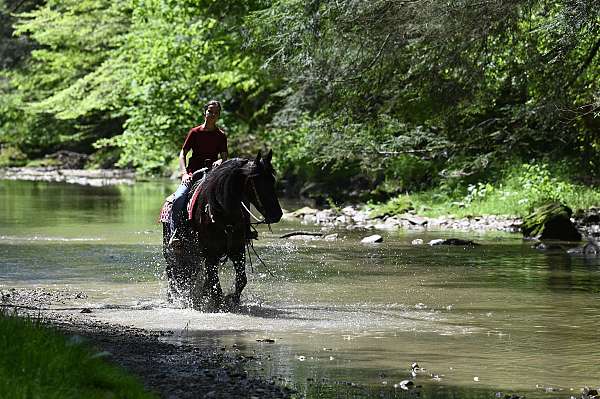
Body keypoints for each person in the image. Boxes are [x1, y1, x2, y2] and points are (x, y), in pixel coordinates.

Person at [169, 100, 228, 248]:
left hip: (213, 175)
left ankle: (237, 232)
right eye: (210, 111)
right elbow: (183, 153)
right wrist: (184, 173)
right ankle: (175, 233)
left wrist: (220, 161)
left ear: (219, 115)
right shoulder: (195, 133)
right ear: (205, 113)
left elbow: (225, 157)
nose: (212, 115)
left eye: (216, 113)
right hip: (193, 173)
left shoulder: (221, 135)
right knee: (179, 198)